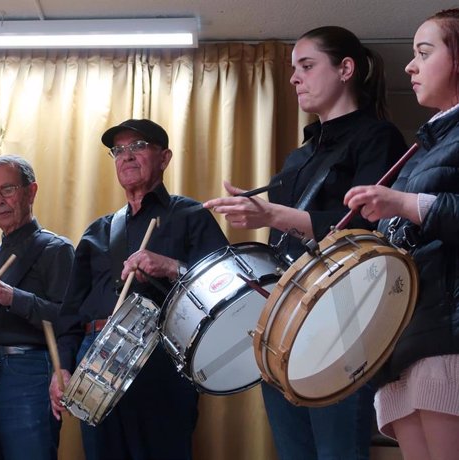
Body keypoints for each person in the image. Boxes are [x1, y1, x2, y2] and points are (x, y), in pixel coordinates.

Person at [205, 27, 407, 459]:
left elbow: (368, 235)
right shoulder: (299, 156)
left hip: (344, 321)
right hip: (286, 321)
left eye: (307, 66)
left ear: (346, 69)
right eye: (293, 69)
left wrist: (272, 214)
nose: (295, 78)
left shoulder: (378, 138)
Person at [48, 119, 229, 460]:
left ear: (165, 157)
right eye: (119, 150)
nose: (127, 156)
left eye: (139, 146)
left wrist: (173, 268)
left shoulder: (190, 214)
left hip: (162, 358)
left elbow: (223, 287)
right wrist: (62, 367)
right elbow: (70, 312)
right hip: (96, 359)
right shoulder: (97, 232)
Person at [343, 9, 459, 459]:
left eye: (424, 53)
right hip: (407, 342)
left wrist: (403, 204)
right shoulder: (420, 151)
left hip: (446, 339)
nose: (410, 66)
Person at [0, 155, 75, 460]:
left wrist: (14, 297)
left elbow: (68, 320)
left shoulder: (56, 248)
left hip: (28, 372)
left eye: (7, 190)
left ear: (31, 191)